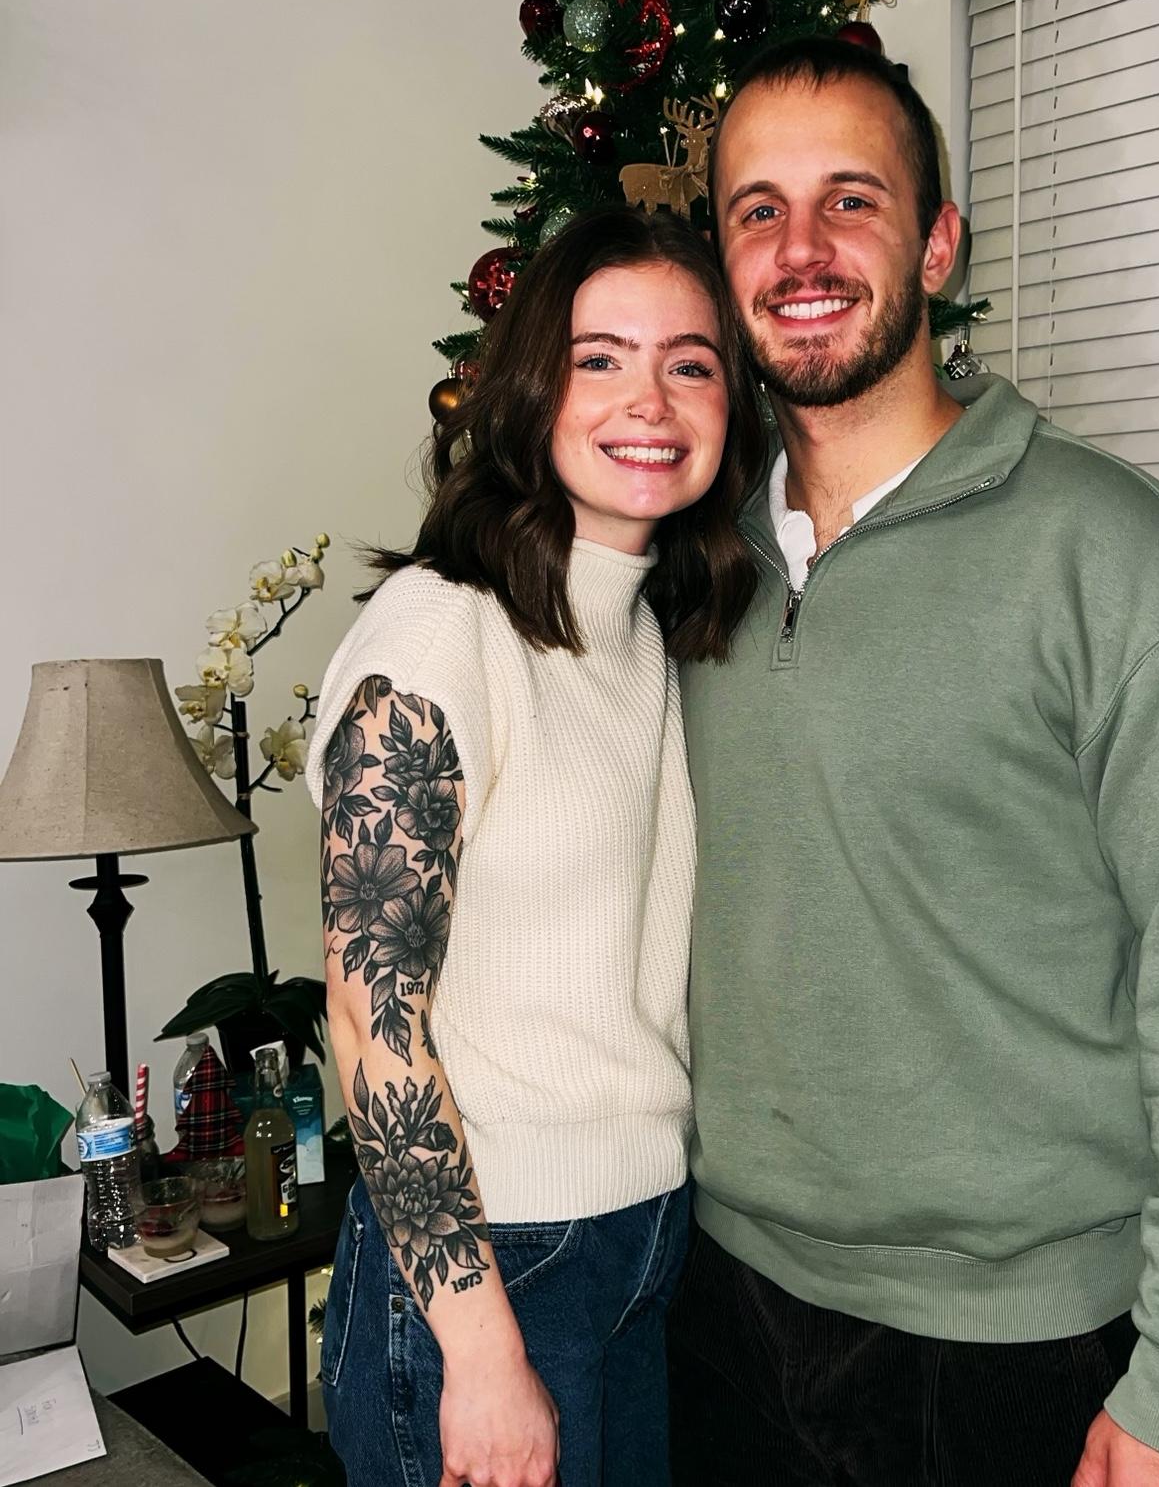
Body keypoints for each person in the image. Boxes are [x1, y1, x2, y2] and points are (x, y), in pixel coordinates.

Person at [667, 37, 1159, 1487]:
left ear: (938, 242)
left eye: (852, 200)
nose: (801, 249)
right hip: (719, 1309)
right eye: (759, 211)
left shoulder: (1125, 565)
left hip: (1023, 1349)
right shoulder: (689, 572)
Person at [304, 207, 765, 1487]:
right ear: (529, 390)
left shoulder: (650, 630)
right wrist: (482, 1351)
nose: (649, 401)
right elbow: (370, 1020)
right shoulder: (441, 629)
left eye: (689, 362)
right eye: (598, 358)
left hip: (643, 1237)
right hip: (489, 1263)